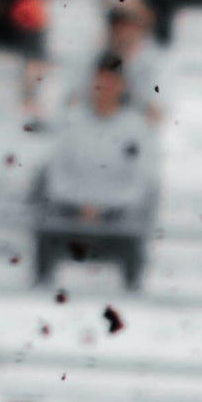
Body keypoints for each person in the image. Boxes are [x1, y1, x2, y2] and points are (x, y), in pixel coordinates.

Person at [32, 57, 160, 287]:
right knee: (46, 225)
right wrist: (82, 205)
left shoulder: (137, 128)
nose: (104, 89)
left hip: (116, 216)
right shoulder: (71, 121)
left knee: (133, 230)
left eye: (111, 82)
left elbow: (141, 182)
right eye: (100, 81)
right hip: (71, 212)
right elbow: (55, 172)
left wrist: (103, 207)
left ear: (123, 86)